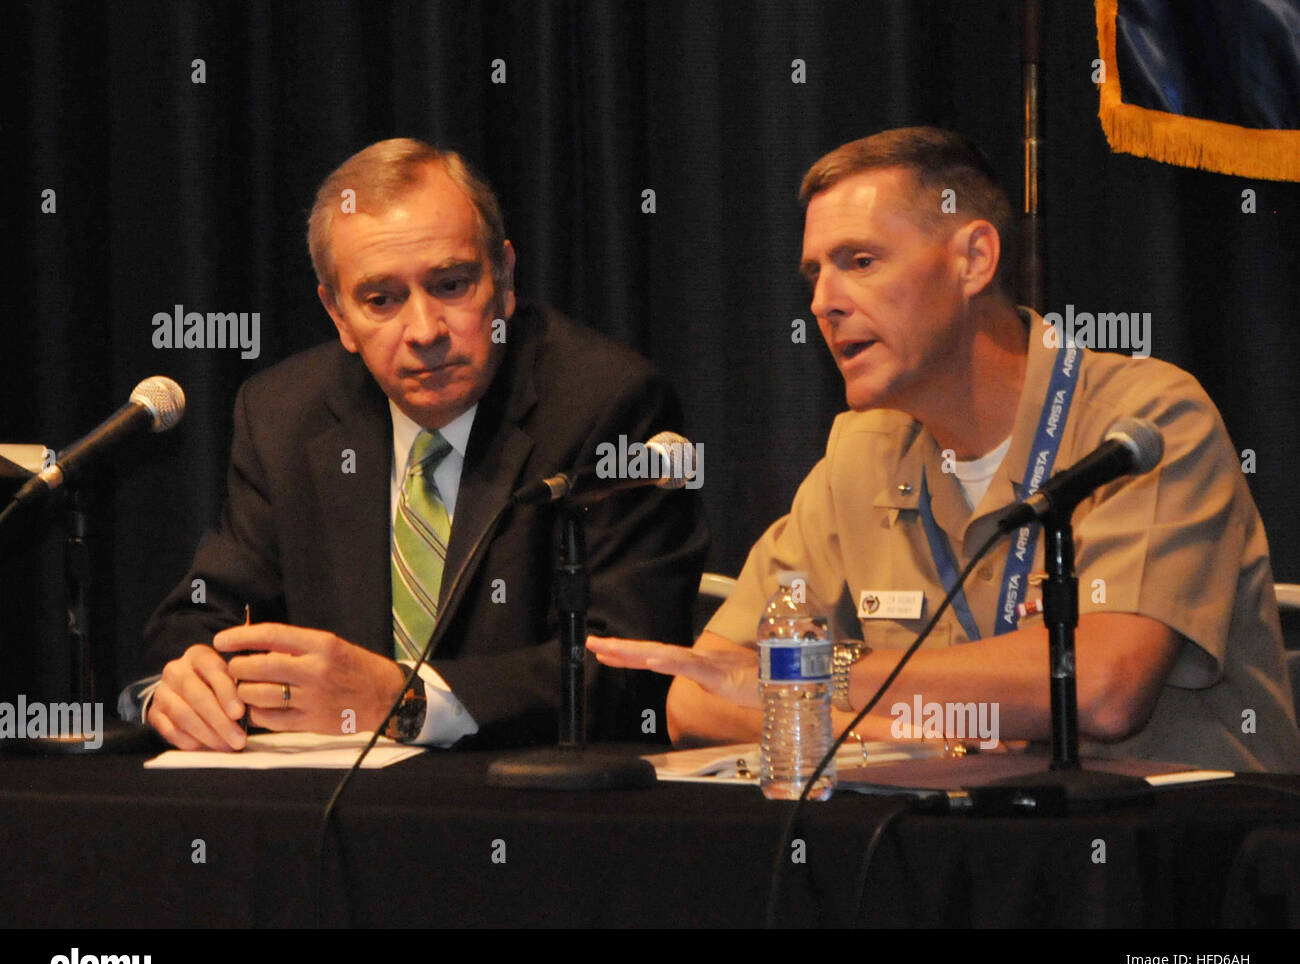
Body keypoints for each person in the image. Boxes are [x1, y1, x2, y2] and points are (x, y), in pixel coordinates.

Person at [589, 126, 1300, 773]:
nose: (823, 303)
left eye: (860, 261)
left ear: (974, 259)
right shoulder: (858, 453)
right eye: (815, 275)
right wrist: (913, 734)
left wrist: (821, 676)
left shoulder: (1142, 422)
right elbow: (698, 696)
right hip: (954, 852)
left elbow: (1103, 688)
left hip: (1164, 864)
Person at [120, 138, 708, 750]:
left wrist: (407, 700)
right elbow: (202, 614)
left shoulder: (605, 403)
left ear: (504, 279)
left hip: (525, 806)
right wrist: (187, 681)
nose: (425, 331)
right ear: (339, 314)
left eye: (451, 285)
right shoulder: (284, 415)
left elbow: (634, 666)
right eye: (382, 300)